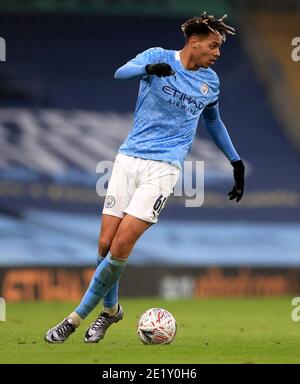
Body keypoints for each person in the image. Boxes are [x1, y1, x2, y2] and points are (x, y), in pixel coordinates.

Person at [45, 12, 245, 344]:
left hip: (163, 169)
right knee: (105, 245)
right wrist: (147, 70)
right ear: (193, 43)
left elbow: (213, 122)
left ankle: (74, 319)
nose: (218, 53)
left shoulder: (211, 82)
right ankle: (111, 311)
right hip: (128, 159)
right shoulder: (157, 57)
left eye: (219, 47)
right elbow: (121, 72)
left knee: (122, 246)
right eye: (214, 45)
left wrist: (235, 162)